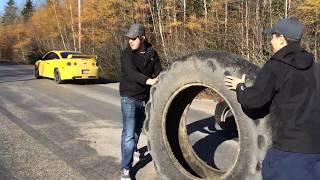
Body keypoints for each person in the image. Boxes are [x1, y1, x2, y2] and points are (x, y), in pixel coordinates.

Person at [224, 17, 320, 180]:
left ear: (282, 39)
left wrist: (240, 88)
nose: (270, 41)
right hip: (316, 151)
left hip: (288, 152)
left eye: (273, 36)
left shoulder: (277, 64)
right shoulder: (315, 67)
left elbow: (255, 103)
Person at [119, 23, 162, 180]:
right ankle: (125, 169)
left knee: (137, 131)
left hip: (144, 99)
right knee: (129, 135)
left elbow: (158, 72)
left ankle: (133, 152)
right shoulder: (126, 54)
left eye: (134, 38)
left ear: (142, 37)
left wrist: (159, 79)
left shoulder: (151, 53)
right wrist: (149, 81)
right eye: (129, 38)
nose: (130, 41)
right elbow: (131, 73)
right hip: (129, 98)